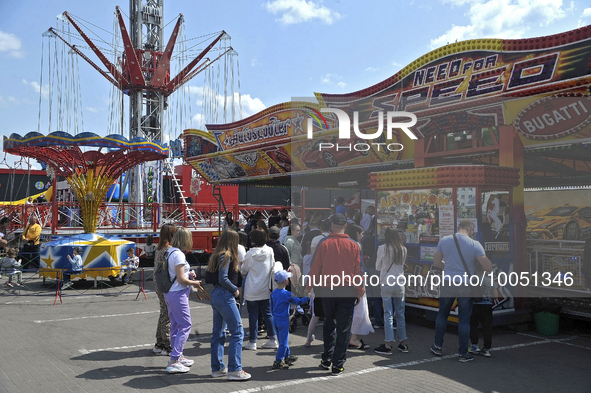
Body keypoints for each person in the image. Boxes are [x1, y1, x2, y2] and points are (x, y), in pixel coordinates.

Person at [307, 213, 364, 376]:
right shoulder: (354, 245)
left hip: (327, 289)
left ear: (332, 225)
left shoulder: (323, 243)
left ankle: (326, 359)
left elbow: (315, 265)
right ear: (345, 225)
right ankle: (338, 364)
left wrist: (309, 286)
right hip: (347, 290)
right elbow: (358, 271)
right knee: (344, 327)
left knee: (328, 324)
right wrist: (360, 291)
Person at [430, 219, 492, 362]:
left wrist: (448, 265)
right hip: (465, 284)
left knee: (442, 315)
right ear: (471, 229)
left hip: (448, 283)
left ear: (458, 227)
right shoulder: (475, 244)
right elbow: (488, 267)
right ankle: (463, 353)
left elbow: (437, 263)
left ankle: (437, 347)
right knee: (464, 320)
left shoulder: (444, 241)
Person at [207, 229, 251, 381]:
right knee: (238, 331)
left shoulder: (216, 255)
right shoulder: (227, 255)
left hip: (216, 294)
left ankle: (218, 367)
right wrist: (235, 290)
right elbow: (223, 278)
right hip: (225, 295)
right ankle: (235, 369)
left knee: (218, 332)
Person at [163, 227, 203, 374]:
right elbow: (180, 279)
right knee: (185, 325)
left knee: (176, 325)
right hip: (178, 293)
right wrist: (193, 282)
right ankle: (174, 359)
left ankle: (177, 356)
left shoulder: (170, 251)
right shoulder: (178, 254)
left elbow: (178, 274)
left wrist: (188, 273)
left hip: (171, 293)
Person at [240, 229, 278, 351]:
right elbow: (272, 266)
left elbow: (243, 270)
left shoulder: (250, 254)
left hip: (252, 289)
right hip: (266, 287)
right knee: (267, 313)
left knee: (253, 315)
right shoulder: (270, 250)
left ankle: (253, 342)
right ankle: (273, 338)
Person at [374, 228, 409, 355]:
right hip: (400, 283)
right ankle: (403, 343)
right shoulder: (403, 249)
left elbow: (378, 266)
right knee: (400, 313)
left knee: (388, 313)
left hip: (387, 282)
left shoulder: (383, 248)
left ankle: (388, 344)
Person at [270, 268, 309, 369]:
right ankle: (278, 360)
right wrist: (308, 297)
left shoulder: (273, 293)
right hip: (283, 320)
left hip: (275, 319)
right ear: (286, 281)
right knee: (283, 342)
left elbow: (271, 307)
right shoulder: (286, 294)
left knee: (282, 339)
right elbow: (298, 301)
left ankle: (287, 356)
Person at [345, 224, 374, 350]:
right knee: (360, 310)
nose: (363, 236)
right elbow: (359, 267)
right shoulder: (356, 245)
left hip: (343, 281)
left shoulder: (344, 243)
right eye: (361, 233)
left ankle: (347, 337)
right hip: (356, 282)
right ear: (356, 233)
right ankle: (353, 338)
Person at [304, 218, 331, 347]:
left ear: (321, 228)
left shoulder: (316, 239)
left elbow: (314, 259)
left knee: (316, 313)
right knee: (333, 314)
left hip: (319, 279)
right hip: (332, 279)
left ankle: (308, 339)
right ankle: (331, 340)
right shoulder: (333, 239)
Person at [152, 223, 176, 356]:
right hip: (166, 284)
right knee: (167, 314)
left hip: (158, 283)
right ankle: (167, 345)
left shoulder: (159, 247)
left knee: (163, 312)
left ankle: (159, 342)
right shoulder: (169, 249)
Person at [469, 265, 497, 357]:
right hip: (487, 306)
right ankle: (486, 349)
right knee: (487, 327)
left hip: (475, 305)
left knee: (473, 325)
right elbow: (495, 296)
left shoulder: (473, 280)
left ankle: (474, 346)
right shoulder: (490, 281)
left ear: (476, 269)